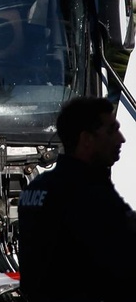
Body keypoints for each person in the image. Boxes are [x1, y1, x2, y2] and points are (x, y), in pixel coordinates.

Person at [18, 96, 136, 302]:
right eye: (111, 130)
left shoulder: (37, 187)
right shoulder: (87, 193)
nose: (121, 139)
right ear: (87, 139)